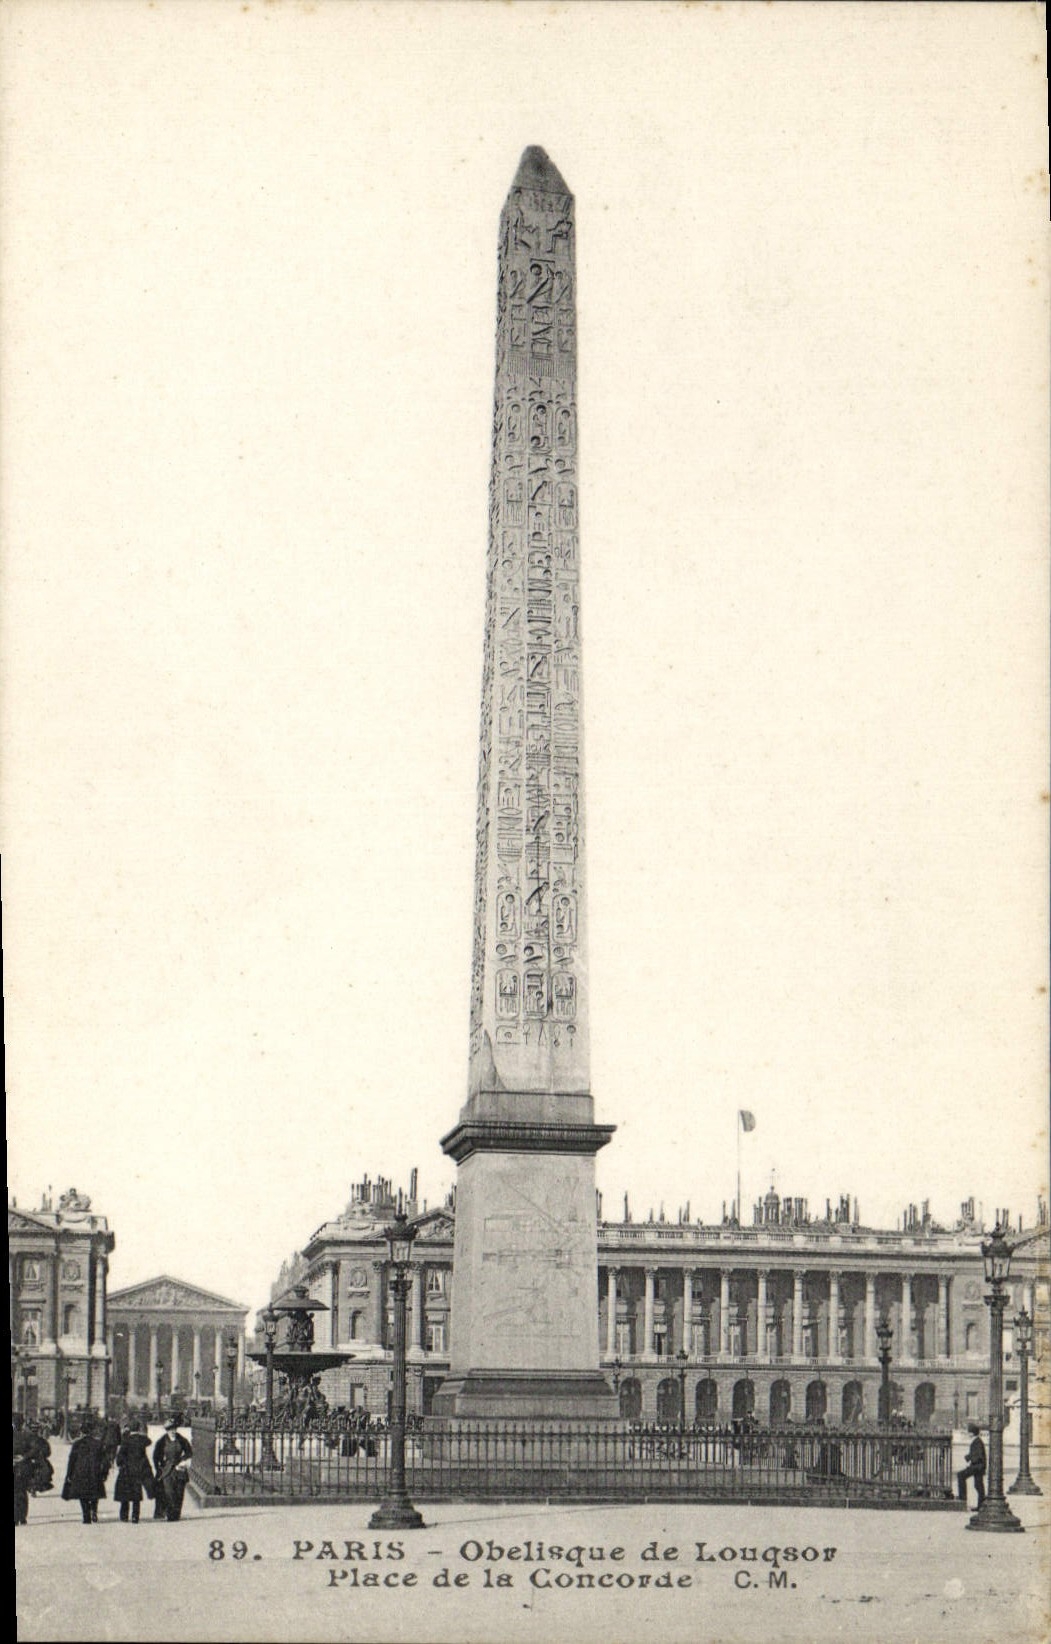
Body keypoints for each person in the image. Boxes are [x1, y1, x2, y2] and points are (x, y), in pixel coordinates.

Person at [62, 1416, 107, 1524]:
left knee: (83, 1495)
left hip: (80, 1472)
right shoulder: (98, 1444)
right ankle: (94, 1511)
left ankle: (86, 1517)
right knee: (94, 1493)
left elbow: (71, 1460)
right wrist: (104, 1473)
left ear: (81, 1432)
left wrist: (69, 1474)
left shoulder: (77, 1444)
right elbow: (105, 1461)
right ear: (91, 1431)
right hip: (95, 1472)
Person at [113, 1418, 154, 1523]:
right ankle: (135, 1517)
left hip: (127, 1470)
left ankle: (124, 1516)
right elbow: (149, 1441)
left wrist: (119, 1463)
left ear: (129, 1429)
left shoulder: (126, 1441)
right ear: (138, 1428)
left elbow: (120, 1457)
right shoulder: (142, 1440)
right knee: (136, 1494)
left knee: (125, 1495)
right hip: (139, 1469)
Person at [152, 1418, 193, 1521]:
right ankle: (170, 1515)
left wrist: (182, 1461)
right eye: (170, 1429)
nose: (173, 1431)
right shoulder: (162, 1441)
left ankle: (176, 1514)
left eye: (174, 1429)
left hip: (179, 1469)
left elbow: (189, 1452)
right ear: (167, 1430)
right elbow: (156, 1456)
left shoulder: (182, 1440)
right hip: (167, 1470)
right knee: (169, 1492)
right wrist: (160, 1467)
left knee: (179, 1492)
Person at [957, 1421, 987, 1508]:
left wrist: (970, 1458)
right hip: (979, 1466)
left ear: (972, 1433)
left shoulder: (977, 1442)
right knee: (978, 1485)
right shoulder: (977, 1441)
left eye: (969, 1432)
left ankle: (962, 1498)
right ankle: (981, 1505)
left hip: (977, 1466)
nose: (967, 1434)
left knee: (961, 1475)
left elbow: (978, 1455)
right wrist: (969, 1457)